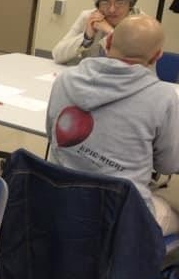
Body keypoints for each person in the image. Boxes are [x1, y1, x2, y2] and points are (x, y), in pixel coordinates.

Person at [47, 15, 179, 235]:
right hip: (118, 217)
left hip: (57, 200)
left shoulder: (65, 79)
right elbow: (168, 165)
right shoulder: (163, 97)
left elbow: (52, 135)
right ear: (157, 56)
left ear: (107, 42)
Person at [52, 0, 143, 65]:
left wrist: (110, 31)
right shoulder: (89, 17)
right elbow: (57, 55)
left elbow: (133, 64)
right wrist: (87, 38)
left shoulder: (142, 23)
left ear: (131, 3)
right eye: (105, 2)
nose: (112, 9)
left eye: (119, 2)